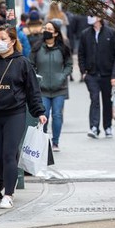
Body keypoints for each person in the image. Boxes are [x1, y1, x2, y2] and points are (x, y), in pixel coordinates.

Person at [0, 24, 46, 209]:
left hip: (15, 114)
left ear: (13, 41)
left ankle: (8, 194)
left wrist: (39, 112)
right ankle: (7, 180)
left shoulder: (22, 63)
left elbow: (32, 90)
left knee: (8, 154)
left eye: (3, 39)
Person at [29, 21, 72, 152]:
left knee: (58, 115)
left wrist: (62, 76)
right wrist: (37, 79)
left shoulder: (63, 48)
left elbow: (69, 65)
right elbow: (30, 65)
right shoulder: (37, 48)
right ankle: (44, 141)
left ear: (56, 33)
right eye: (45, 28)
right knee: (44, 114)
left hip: (60, 89)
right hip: (42, 89)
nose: (46, 31)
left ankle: (55, 142)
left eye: (50, 29)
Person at [78, 16, 115, 139]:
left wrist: (114, 74)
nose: (90, 18)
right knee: (94, 99)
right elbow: (81, 53)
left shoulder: (110, 33)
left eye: (93, 15)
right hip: (92, 74)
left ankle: (107, 127)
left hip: (107, 74)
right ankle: (94, 127)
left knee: (107, 101)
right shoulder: (85, 34)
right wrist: (83, 71)